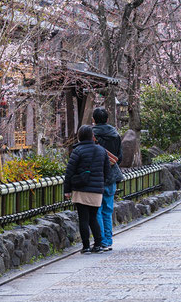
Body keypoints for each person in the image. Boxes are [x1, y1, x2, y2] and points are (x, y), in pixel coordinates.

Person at [64, 125, 110, 254]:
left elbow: (69, 172)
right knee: (93, 218)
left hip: (81, 189)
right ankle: (98, 244)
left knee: (83, 218)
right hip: (96, 190)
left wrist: (67, 190)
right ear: (92, 136)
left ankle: (86, 247)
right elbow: (107, 171)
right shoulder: (101, 151)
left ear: (79, 136)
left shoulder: (77, 151)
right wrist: (101, 183)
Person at [92, 108, 124, 252]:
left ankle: (99, 241)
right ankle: (107, 240)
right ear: (106, 119)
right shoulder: (115, 134)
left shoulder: (90, 135)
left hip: (96, 176)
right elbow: (119, 157)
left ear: (94, 120)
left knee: (97, 210)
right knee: (107, 209)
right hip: (111, 175)